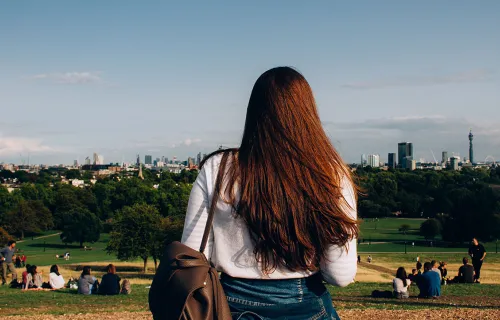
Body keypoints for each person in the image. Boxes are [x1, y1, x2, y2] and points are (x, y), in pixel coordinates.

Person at [179, 67, 359, 319]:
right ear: (308, 113)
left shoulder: (218, 168)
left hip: (230, 305)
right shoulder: (331, 173)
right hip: (306, 303)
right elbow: (340, 275)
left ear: (253, 111)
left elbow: (193, 257)